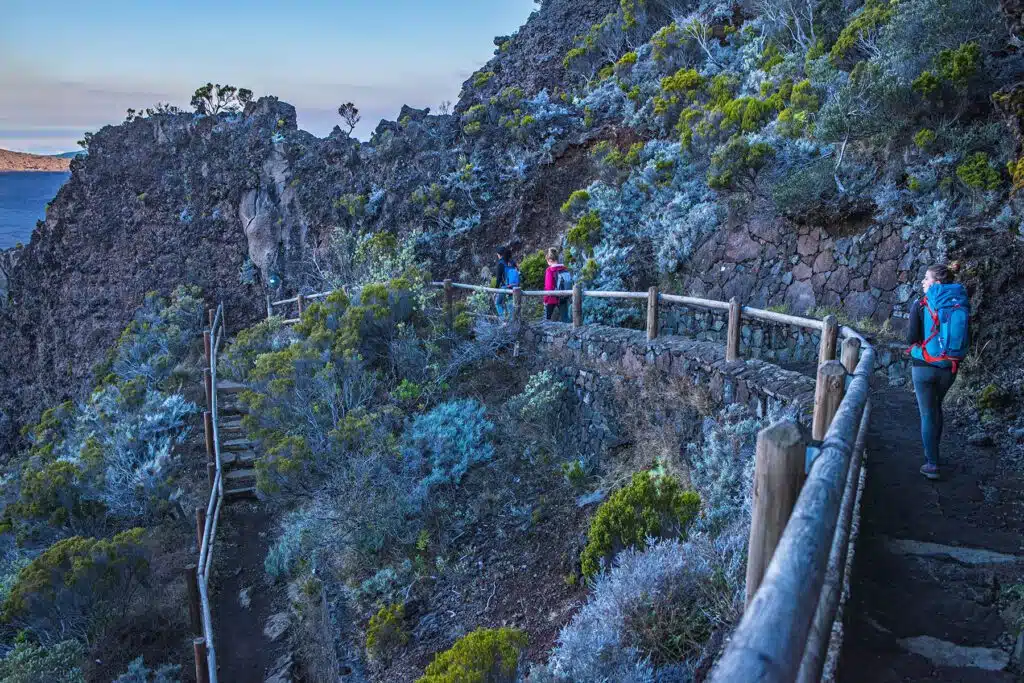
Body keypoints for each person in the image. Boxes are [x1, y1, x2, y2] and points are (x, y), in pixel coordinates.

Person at [907, 263, 970, 481]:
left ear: (937, 282)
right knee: (936, 408)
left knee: (927, 412)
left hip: (923, 366)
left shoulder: (921, 304)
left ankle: (932, 463)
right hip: (949, 367)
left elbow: (911, 338)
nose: (923, 282)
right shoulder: (960, 301)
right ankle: (935, 455)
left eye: (927, 278)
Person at [543, 247, 571, 322]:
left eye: (547, 261)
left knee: (547, 319)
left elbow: (548, 287)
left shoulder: (549, 270)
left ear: (550, 260)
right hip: (563, 296)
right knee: (565, 319)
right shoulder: (564, 268)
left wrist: (545, 300)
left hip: (552, 298)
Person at [494, 246, 518, 321]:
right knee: (510, 304)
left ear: (499, 254)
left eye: (497, 255)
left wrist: (495, 290)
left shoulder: (500, 264)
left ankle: (503, 320)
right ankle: (512, 321)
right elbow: (518, 273)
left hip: (505, 287)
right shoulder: (512, 262)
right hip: (514, 287)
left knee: (498, 303)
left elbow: (498, 279)